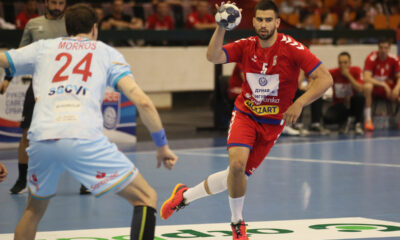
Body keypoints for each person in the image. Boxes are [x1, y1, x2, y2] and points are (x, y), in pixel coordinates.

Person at [0, 3, 178, 240]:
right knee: (146, 198)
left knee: (32, 210)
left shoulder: (44, 47)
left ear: (67, 27)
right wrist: (162, 145)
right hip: (82, 136)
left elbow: (4, 59)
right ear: (95, 28)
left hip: (42, 138)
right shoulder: (106, 53)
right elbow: (143, 102)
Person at [160, 1, 333, 240]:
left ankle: (185, 196)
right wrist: (221, 27)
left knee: (235, 175)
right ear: (252, 22)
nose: (264, 24)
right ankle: (237, 222)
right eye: (260, 19)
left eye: (268, 20)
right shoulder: (246, 45)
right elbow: (213, 56)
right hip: (246, 114)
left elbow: (325, 79)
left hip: (273, 124)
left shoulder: (292, 48)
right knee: (238, 166)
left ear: (277, 22)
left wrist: (300, 102)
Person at [0, 0, 92, 195]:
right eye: (54, 2)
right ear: (46, 3)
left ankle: (85, 179)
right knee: (27, 133)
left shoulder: (73, 24)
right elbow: (18, 55)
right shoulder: (33, 24)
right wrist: (7, 78)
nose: (58, 6)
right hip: (39, 87)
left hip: (68, 89)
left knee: (75, 133)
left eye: (61, 3)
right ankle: (22, 180)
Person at [363, 38, 400, 131]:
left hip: (390, 89)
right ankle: (368, 120)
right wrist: (383, 85)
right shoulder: (371, 58)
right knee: (367, 86)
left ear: (389, 48)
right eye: (381, 47)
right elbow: (366, 77)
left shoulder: (394, 59)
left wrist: (396, 88)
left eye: (386, 48)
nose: (383, 50)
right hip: (376, 88)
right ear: (378, 48)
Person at [324, 52, 365, 134]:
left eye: (345, 62)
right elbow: (320, 77)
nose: (342, 65)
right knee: (327, 118)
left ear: (350, 63)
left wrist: (348, 75)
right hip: (339, 105)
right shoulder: (333, 72)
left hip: (353, 104)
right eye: (340, 63)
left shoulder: (356, 70)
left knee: (360, 97)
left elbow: (360, 89)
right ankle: (343, 122)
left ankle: (358, 124)